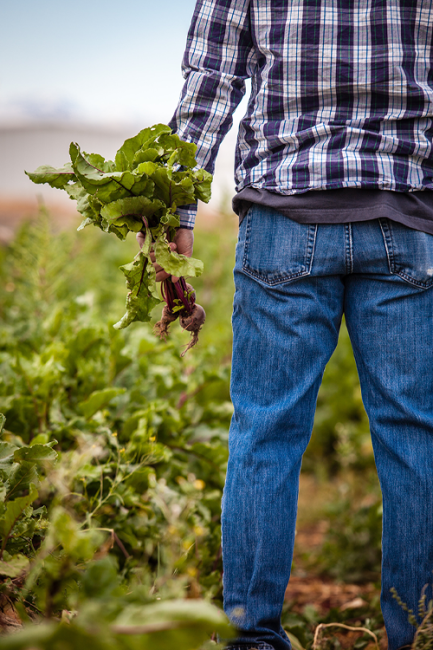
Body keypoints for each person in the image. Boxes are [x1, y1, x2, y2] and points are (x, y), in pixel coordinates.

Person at [147, 2, 433, 649]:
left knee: (265, 429)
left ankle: (252, 638)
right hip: (406, 217)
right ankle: (416, 634)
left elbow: (208, 82)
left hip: (283, 216)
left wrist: (176, 217)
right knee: (415, 434)